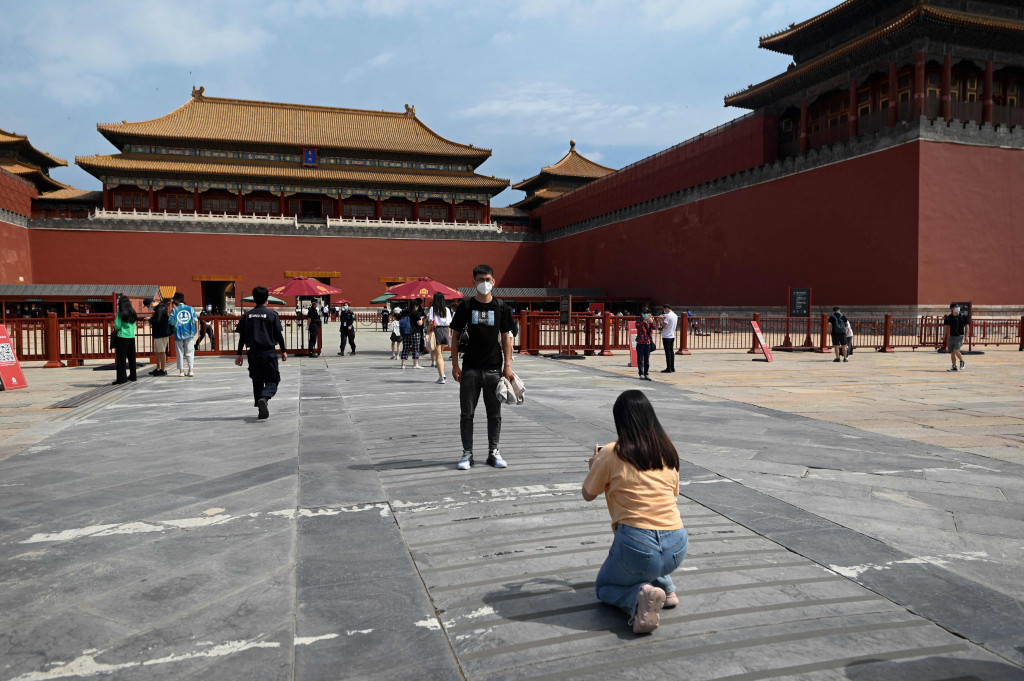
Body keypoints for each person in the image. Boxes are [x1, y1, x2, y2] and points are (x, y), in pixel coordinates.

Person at [583, 390, 687, 635]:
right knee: (654, 555)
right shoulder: (668, 452)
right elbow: (672, 496)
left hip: (637, 547)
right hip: (677, 545)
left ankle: (639, 597)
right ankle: (668, 590)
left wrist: (593, 466)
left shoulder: (611, 452)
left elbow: (588, 494)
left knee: (604, 586)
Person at [450, 264, 515, 470]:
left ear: (493, 282)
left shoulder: (502, 308)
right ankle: (467, 453)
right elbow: (455, 336)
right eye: (480, 280)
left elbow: (506, 337)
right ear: (474, 282)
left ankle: (493, 452)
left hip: (494, 369)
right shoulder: (466, 307)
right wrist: (455, 365)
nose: (484, 283)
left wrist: (508, 366)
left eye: (487, 279)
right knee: (466, 413)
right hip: (469, 368)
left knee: (494, 414)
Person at [235, 286, 288, 420]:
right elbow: (278, 335)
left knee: (257, 381)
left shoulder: (247, 315)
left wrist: (239, 354)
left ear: (254, 299)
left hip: (253, 354)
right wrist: (284, 351)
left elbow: (242, 337)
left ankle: (260, 409)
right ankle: (264, 398)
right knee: (273, 380)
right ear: (267, 299)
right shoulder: (272, 315)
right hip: (268, 353)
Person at [169, 292, 198, 377]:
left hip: (178, 333)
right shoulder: (190, 308)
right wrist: (196, 330)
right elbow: (195, 320)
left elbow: (171, 322)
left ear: (177, 300)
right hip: (189, 333)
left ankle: (181, 371)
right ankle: (191, 370)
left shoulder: (174, 310)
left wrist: (177, 324)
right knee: (190, 351)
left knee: (180, 352)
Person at [112, 295, 138, 385]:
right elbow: (134, 325)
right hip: (131, 336)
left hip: (122, 337)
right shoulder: (133, 312)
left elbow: (117, 326)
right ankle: (133, 376)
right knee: (132, 357)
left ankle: (122, 378)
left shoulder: (121, 314)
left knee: (121, 359)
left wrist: (114, 324)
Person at [427, 292, 453, 384]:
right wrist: (449, 333)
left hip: (437, 331)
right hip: (445, 331)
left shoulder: (433, 309)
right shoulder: (446, 309)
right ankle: (441, 374)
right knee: (440, 354)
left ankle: (442, 376)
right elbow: (449, 323)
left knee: (438, 356)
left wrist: (427, 333)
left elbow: (431, 322)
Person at [147, 297, 171, 376]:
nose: (148, 308)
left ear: (151, 303)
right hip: (159, 333)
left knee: (161, 351)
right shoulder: (160, 308)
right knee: (157, 351)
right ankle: (158, 368)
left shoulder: (160, 310)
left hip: (162, 334)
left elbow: (158, 321)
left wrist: (150, 319)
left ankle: (163, 370)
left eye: (148, 306)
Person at [945, 302, 970, 372]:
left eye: (958, 307)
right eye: (956, 307)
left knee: (956, 350)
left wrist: (966, 336)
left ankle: (962, 361)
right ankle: (954, 366)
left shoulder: (963, 317)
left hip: (960, 336)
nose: (958, 308)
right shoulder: (948, 317)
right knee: (952, 352)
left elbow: (967, 326)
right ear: (952, 309)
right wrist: (944, 336)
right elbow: (946, 327)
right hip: (951, 336)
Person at [401, 299, 425, 369]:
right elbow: (420, 323)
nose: (418, 307)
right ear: (415, 306)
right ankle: (415, 364)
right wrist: (423, 319)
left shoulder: (404, 312)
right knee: (415, 348)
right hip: (415, 332)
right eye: (417, 306)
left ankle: (403, 364)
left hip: (405, 332)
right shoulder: (415, 313)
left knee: (405, 347)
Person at [635, 306, 656, 381]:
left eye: (647, 313)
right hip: (640, 342)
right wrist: (643, 322)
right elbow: (638, 327)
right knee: (640, 359)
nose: (646, 314)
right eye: (644, 313)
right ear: (641, 314)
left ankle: (646, 373)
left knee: (647, 360)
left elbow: (654, 328)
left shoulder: (650, 320)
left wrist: (652, 322)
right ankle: (641, 373)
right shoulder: (638, 321)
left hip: (647, 343)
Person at [658, 304, 677, 373]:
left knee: (668, 352)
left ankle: (668, 368)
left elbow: (665, 326)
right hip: (672, 335)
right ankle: (672, 367)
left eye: (664, 310)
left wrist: (660, 320)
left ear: (666, 309)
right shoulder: (675, 315)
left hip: (666, 336)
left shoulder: (668, 316)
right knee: (671, 352)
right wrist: (664, 318)